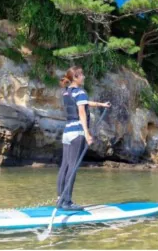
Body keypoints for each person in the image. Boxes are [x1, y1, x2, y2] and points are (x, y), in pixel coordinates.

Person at [57, 66, 111, 210]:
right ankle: (67, 202)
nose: (84, 77)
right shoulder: (80, 92)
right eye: (81, 75)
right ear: (75, 77)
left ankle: (59, 199)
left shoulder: (67, 92)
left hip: (67, 132)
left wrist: (101, 104)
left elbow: (85, 103)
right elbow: (81, 112)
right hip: (77, 134)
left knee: (64, 166)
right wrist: (87, 134)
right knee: (72, 167)